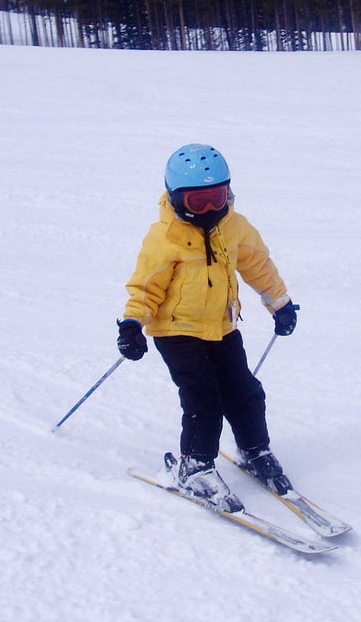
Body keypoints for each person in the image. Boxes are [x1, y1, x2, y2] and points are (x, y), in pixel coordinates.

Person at [117, 143, 299, 513]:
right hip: (176, 330)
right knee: (204, 396)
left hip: (222, 326)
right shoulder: (165, 237)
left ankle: (255, 450)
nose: (210, 210)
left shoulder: (234, 225)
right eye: (197, 202)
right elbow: (145, 287)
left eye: (216, 198)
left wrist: (279, 303)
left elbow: (258, 265)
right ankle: (196, 467)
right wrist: (133, 324)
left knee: (245, 391)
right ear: (175, 198)